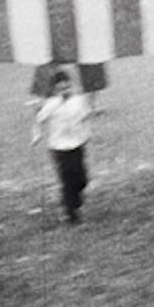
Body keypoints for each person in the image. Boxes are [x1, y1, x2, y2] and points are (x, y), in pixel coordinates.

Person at [31, 68, 95, 223]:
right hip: (59, 147)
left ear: (72, 86)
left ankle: (73, 199)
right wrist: (36, 135)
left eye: (67, 87)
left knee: (81, 178)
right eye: (61, 89)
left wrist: (87, 130)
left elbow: (85, 116)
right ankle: (70, 213)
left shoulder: (78, 101)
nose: (65, 92)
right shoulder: (51, 105)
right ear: (55, 90)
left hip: (77, 144)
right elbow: (39, 120)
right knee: (67, 179)